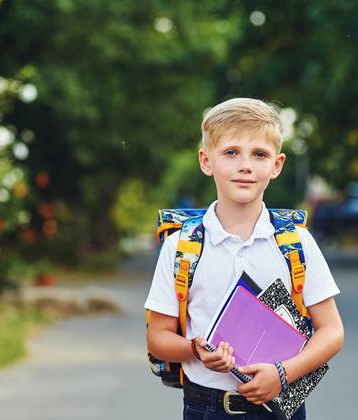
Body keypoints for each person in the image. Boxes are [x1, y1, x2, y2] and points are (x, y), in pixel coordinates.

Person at [145, 98, 344, 420]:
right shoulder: (181, 247)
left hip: (279, 407)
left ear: (277, 165)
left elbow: (332, 331)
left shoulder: (296, 243)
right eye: (231, 152)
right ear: (206, 161)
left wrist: (283, 374)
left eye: (259, 154)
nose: (245, 165)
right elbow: (157, 338)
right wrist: (194, 350)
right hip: (205, 408)